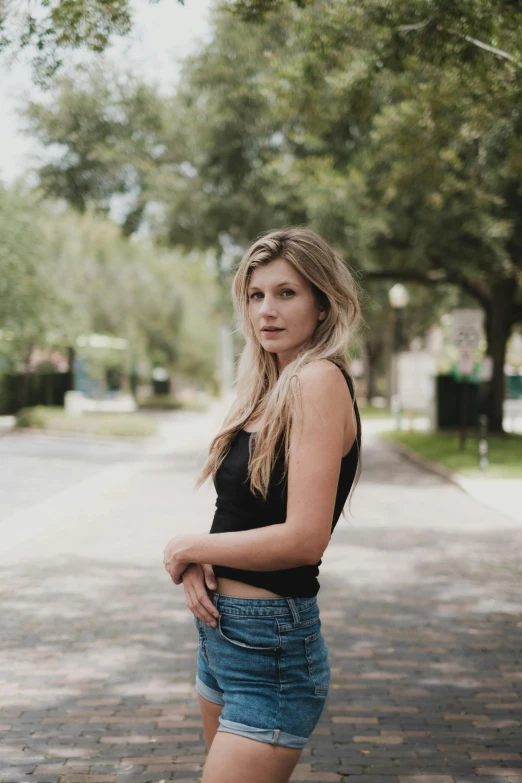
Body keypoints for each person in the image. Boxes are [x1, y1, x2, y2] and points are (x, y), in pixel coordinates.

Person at [163, 226, 362, 783]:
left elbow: (304, 538)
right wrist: (204, 562)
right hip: (223, 639)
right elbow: (245, 512)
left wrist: (187, 547)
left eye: (287, 293)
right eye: (256, 295)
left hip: (269, 647)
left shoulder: (317, 380)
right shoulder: (268, 387)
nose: (266, 311)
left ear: (323, 305)